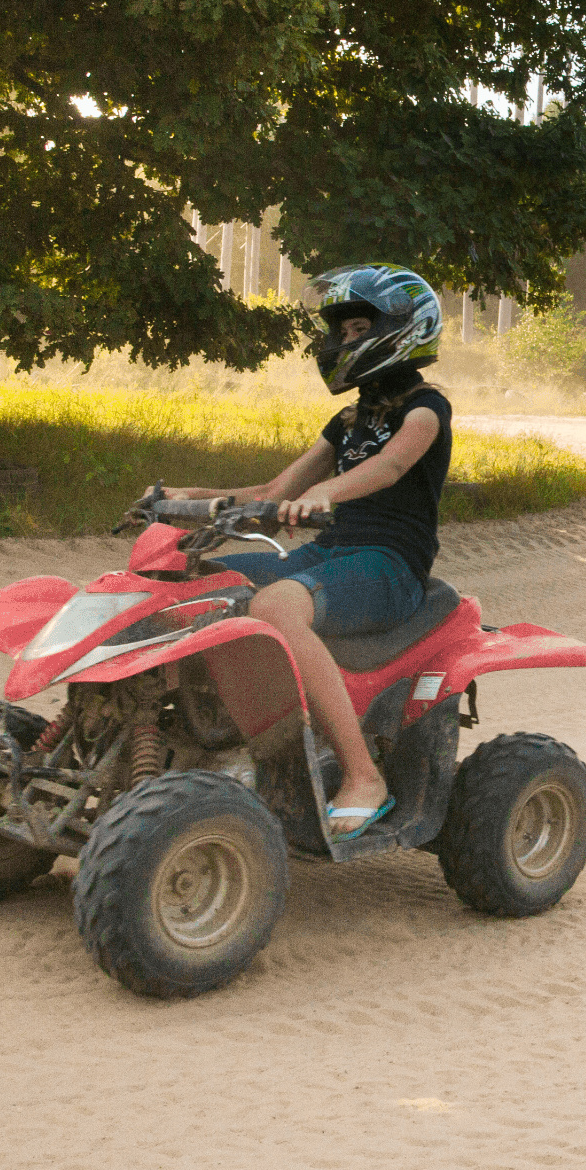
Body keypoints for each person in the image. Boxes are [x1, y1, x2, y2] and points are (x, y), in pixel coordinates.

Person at [142, 264, 451, 839]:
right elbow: (268, 494)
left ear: (402, 331)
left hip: (390, 567)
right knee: (196, 580)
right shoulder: (349, 420)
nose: (343, 342)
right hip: (331, 554)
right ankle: (189, 734)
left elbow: (394, 465)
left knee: (278, 607)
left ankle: (364, 778)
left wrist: (326, 492)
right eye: (342, 331)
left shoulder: (427, 409)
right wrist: (186, 498)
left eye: (358, 329)